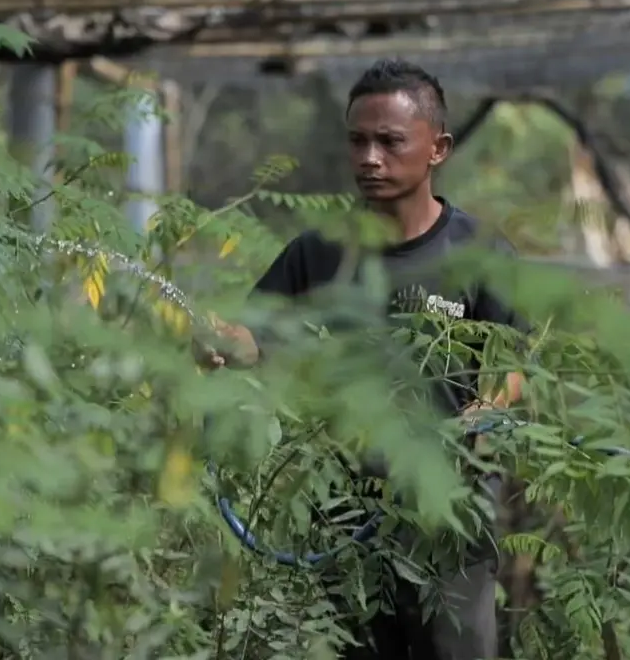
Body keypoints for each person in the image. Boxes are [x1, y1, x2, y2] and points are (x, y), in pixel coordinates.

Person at [196, 59, 528, 660]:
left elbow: (512, 371)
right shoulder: (318, 252)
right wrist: (224, 342)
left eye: (390, 141)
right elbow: (257, 333)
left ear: (438, 148)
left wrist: (474, 424)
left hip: (447, 518)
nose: (369, 157)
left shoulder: (479, 253)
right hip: (343, 517)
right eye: (358, 141)